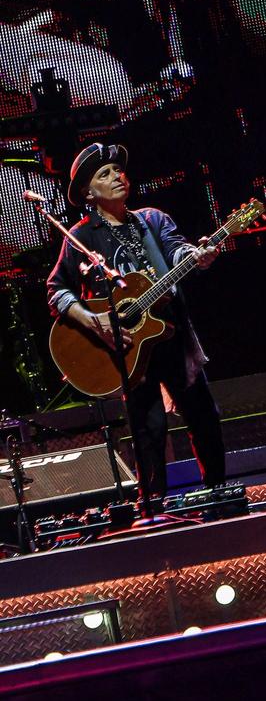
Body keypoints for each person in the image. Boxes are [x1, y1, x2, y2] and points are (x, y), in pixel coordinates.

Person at [45, 142, 227, 510]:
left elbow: (177, 251)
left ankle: (219, 496)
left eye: (118, 170)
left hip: (172, 336)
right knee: (149, 428)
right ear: (88, 193)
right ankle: (153, 508)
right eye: (105, 174)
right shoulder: (81, 238)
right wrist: (95, 321)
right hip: (127, 348)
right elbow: (56, 290)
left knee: (203, 416)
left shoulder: (153, 220)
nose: (117, 177)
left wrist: (198, 256)